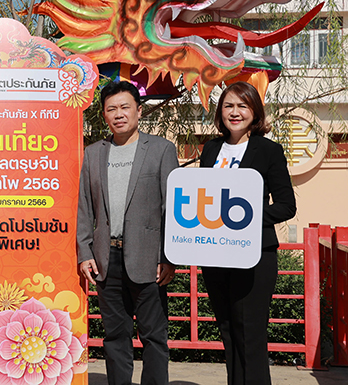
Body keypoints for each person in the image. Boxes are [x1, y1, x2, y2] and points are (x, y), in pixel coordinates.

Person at [77, 80, 178, 385]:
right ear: (104, 115)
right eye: (111, 109)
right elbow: (85, 208)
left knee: (154, 338)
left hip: (149, 260)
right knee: (115, 337)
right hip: (106, 260)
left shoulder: (161, 150)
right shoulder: (94, 153)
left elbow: (172, 209)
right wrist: (85, 253)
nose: (118, 114)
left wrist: (168, 257)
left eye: (124, 107)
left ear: (138, 111)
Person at [200, 81, 296, 385]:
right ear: (220, 112)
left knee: (250, 334)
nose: (235, 112)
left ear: (255, 112)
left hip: (255, 255)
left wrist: (243, 219)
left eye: (242, 105)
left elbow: (285, 206)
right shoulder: (211, 149)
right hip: (216, 255)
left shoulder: (269, 151)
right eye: (228, 105)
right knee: (228, 331)